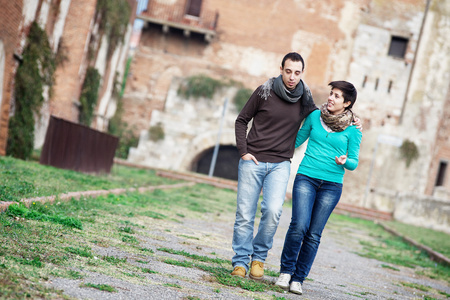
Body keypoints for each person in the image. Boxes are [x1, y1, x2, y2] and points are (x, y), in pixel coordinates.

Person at [230, 52, 318, 280]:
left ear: (302, 73)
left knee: (273, 211)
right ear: (281, 69)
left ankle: (258, 259)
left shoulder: (305, 98)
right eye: (288, 71)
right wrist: (244, 151)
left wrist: (352, 118)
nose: (292, 77)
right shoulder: (264, 91)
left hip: (280, 164)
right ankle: (240, 262)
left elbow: (324, 117)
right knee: (245, 214)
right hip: (253, 160)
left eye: (297, 73)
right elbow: (242, 120)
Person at [274, 81, 362, 295]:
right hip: (307, 177)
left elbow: (354, 161)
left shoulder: (353, 129)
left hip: (332, 186)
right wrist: (271, 144)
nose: (331, 98)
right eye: (331, 93)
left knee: (313, 234)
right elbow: (297, 140)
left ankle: (298, 279)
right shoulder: (314, 116)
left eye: (337, 96)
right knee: (298, 226)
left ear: (347, 103)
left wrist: (344, 161)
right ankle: (285, 273)